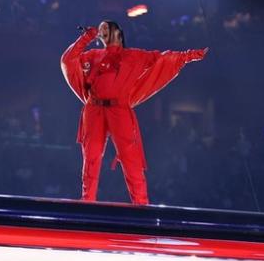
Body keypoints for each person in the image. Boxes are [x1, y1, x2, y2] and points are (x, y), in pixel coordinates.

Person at [61, 20, 208, 205]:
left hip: (119, 109)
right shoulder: (92, 55)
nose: (101, 30)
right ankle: (87, 200)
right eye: (100, 28)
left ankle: (141, 204)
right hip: (94, 109)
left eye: (106, 27)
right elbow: (68, 60)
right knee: (91, 156)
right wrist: (86, 38)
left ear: (118, 33)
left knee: (130, 158)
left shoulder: (134, 56)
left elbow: (163, 58)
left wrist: (190, 55)